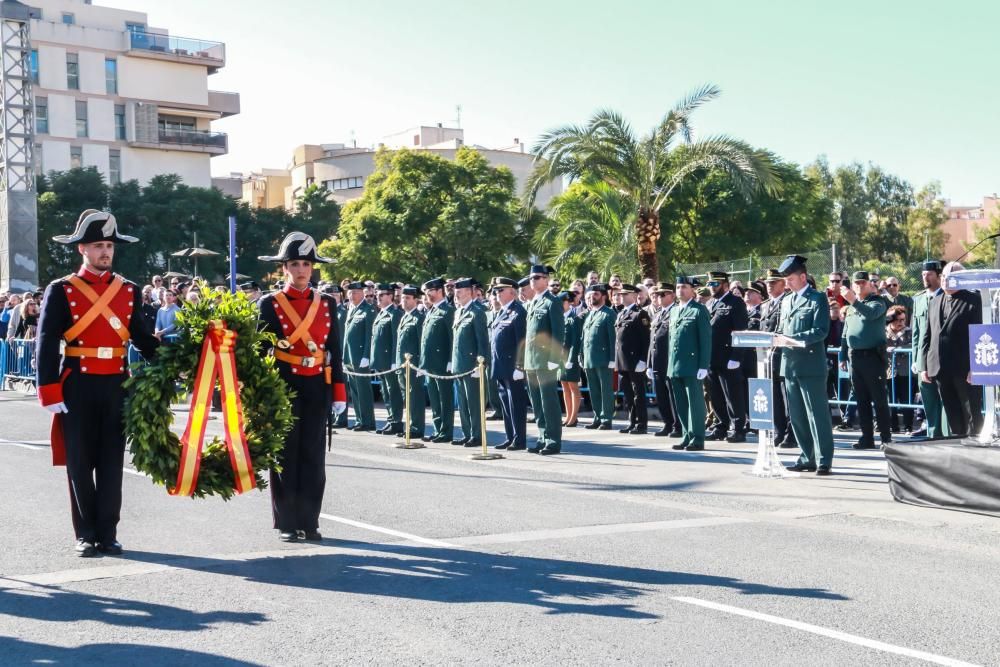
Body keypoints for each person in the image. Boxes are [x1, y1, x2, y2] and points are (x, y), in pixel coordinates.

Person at [35, 209, 159, 557]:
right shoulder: (61, 290)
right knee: (79, 461)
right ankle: (85, 533)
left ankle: (108, 532)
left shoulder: (129, 290)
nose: (105, 251)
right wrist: (48, 389)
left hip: (117, 384)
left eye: (108, 245)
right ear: (82, 250)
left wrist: (181, 359)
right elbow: (46, 342)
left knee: (111, 462)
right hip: (77, 384)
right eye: (97, 245)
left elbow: (143, 340)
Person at [257, 232, 346, 542]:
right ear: (284, 268)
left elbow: (335, 348)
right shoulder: (270, 303)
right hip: (284, 383)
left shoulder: (327, 303)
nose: (300, 270)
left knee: (312, 455)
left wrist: (339, 390)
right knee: (285, 454)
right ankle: (287, 522)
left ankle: (310, 521)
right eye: (294, 264)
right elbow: (259, 350)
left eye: (306, 264)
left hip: (316, 384)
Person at [778, 255, 835, 475]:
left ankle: (823, 459)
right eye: (786, 280)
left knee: (816, 414)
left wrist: (792, 339)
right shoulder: (786, 300)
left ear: (803, 277)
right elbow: (782, 329)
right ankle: (807, 456)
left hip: (811, 365)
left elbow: (820, 331)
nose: (787, 283)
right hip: (790, 365)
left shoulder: (817, 298)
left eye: (791, 278)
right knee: (798, 416)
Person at [921, 261, 983, 438]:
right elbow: (928, 335)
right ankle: (958, 442)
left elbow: (979, 336)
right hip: (940, 368)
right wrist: (924, 365)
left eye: (951, 277)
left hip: (965, 369)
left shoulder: (974, 300)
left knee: (971, 410)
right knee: (951, 411)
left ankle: (975, 445)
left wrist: (975, 367)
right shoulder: (935, 301)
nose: (946, 280)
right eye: (944, 277)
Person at [839, 271, 891, 449]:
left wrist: (853, 301)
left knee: (879, 399)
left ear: (870, 284)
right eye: (857, 283)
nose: (860, 286)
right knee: (861, 400)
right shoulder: (853, 306)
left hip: (873, 357)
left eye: (863, 283)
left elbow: (870, 314)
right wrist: (842, 355)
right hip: (856, 357)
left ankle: (886, 438)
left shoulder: (878, 302)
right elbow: (846, 333)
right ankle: (866, 437)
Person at [524, 264, 565, 455]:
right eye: (532, 278)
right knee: (537, 403)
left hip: (545, 359)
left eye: (538, 277)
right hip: (531, 360)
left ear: (547, 280)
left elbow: (558, 332)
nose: (533, 281)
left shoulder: (552, 302)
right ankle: (542, 437)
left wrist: (554, 359)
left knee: (549, 401)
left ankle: (553, 440)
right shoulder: (533, 302)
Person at [668, 276, 711, 451]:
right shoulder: (673, 311)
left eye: (684, 287)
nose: (680, 290)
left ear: (693, 290)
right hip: (675, 364)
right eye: (678, 287)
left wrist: (703, 365)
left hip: (693, 364)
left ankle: (697, 438)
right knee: (681, 404)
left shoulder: (699, 310)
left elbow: (706, 340)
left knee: (695, 404)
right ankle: (686, 435)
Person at [705, 271, 749, 443]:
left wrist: (737, 356)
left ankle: (738, 429)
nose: (711, 287)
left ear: (724, 284)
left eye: (714, 284)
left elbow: (741, 331)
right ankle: (720, 426)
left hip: (728, 357)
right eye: (709, 284)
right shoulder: (710, 303)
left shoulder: (735, 302)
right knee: (715, 395)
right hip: (712, 357)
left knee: (733, 395)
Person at [488, 277, 529, 450]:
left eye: (500, 290)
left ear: (512, 291)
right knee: (505, 403)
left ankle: (519, 439)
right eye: (495, 291)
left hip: (513, 368)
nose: (496, 294)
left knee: (516, 404)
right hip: (500, 366)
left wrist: (520, 367)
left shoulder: (518, 312)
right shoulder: (501, 312)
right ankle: (510, 435)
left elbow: (522, 341)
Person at [910, 260, 948, 438]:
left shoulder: (947, 297)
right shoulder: (918, 299)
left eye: (929, 274)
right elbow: (916, 334)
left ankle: (947, 434)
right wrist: (916, 360)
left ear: (939, 277)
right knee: (928, 398)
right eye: (923, 274)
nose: (925, 277)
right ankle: (933, 433)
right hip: (923, 359)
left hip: (941, 357)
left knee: (945, 398)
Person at [451, 277, 490, 447]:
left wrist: (480, 364)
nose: (456, 294)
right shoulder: (458, 312)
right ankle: (467, 433)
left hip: (471, 365)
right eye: (455, 292)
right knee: (463, 403)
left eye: (459, 292)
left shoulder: (477, 312)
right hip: (459, 364)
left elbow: (482, 340)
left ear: (469, 292)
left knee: (474, 403)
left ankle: (477, 434)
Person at [760, 269, 796, 448]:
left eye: (773, 282)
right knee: (774, 398)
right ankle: (779, 431)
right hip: (768, 358)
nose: (769, 285)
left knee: (787, 398)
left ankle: (791, 433)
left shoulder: (787, 302)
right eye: (768, 283)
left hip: (783, 357)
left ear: (783, 284)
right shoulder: (765, 305)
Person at [420, 277, 455, 443]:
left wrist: (450, 360)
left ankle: (446, 431)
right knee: (434, 398)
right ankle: (437, 428)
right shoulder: (431, 310)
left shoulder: (448, 311)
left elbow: (451, 337)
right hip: (431, 362)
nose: (427, 294)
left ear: (440, 290)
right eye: (426, 292)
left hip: (442, 362)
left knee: (445, 398)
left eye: (430, 291)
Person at [614, 284, 651, 435]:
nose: (621, 296)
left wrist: (643, 360)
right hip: (623, 361)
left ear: (634, 296)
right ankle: (632, 421)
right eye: (620, 294)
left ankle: (641, 423)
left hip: (635, 361)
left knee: (638, 394)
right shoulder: (621, 313)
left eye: (625, 294)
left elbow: (646, 339)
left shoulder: (640, 314)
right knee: (629, 395)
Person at [581, 284, 617, 430]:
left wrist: (612, 359)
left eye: (595, 294)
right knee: (594, 390)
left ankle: (606, 418)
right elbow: (584, 338)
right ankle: (597, 416)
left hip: (603, 359)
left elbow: (613, 338)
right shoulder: (590, 314)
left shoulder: (609, 314)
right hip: (589, 358)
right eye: (589, 295)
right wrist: (581, 357)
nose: (591, 297)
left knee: (605, 390)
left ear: (603, 296)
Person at [648, 282, 681, 437]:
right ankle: (667, 423)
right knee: (660, 394)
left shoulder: (675, 311)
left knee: (672, 395)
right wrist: (649, 363)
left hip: (669, 360)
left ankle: (677, 425)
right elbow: (652, 339)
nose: (658, 297)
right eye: (657, 294)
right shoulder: (658, 314)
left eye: (663, 294)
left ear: (672, 295)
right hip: (657, 361)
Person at [370, 283, 404, 435]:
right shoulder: (382, 313)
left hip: (389, 360)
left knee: (393, 391)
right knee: (385, 391)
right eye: (377, 294)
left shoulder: (394, 314)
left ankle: (396, 421)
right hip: (380, 360)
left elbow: (395, 340)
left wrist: (393, 361)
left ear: (390, 296)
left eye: (381, 294)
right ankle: (391, 419)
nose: (378, 296)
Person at [343, 281, 377, 432]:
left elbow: (370, 335)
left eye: (355, 293)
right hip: (350, 357)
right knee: (355, 391)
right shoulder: (351, 309)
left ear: (362, 293)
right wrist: (344, 357)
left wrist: (366, 356)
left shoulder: (368, 310)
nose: (352, 295)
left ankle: (368, 421)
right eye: (350, 293)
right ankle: (359, 419)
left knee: (364, 390)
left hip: (361, 357)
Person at [394, 285, 427, 440]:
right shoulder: (405, 316)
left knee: (415, 397)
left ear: (415, 299)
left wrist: (421, 364)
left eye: (407, 298)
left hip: (413, 365)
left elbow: (422, 342)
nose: (404, 301)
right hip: (403, 364)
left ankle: (416, 427)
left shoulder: (419, 318)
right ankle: (409, 426)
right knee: (406, 397)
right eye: (402, 298)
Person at [885, 305, 915, 433]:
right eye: (898, 320)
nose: (901, 323)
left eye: (903, 319)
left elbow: (913, 344)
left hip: (905, 371)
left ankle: (908, 425)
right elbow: (879, 345)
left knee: (907, 399)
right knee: (890, 400)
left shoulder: (909, 332)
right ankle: (893, 426)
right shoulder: (883, 332)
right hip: (889, 371)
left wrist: (899, 349)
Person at [558, 291, 583, 427]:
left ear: (569, 303)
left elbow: (575, 342)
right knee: (564, 386)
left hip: (569, 359)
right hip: (560, 358)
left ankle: (573, 417)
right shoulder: (560, 318)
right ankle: (568, 416)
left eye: (563, 302)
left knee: (573, 387)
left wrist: (571, 359)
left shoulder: (575, 319)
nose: (561, 305)